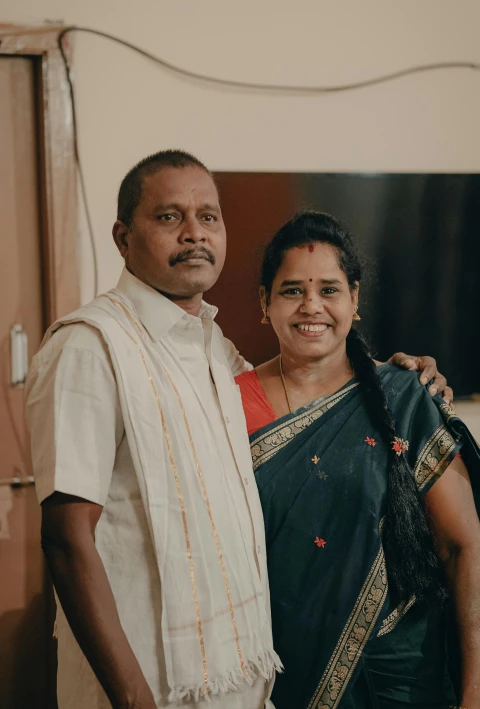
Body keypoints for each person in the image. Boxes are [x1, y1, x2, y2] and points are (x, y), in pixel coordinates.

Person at [26, 152, 453, 709]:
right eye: (168, 217)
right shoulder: (90, 347)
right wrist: (133, 699)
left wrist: (404, 377)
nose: (194, 234)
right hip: (146, 685)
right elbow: (65, 537)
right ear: (122, 237)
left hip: (240, 684)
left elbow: (307, 398)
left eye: (209, 216)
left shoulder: (214, 352)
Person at [235, 210, 480, 709]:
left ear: (355, 299)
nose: (311, 306)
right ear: (264, 302)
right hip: (273, 674)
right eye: (291, 291)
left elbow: (464, 549)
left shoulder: (405, 399)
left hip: (397, 679)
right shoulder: (224, 403)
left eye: (329, 289)